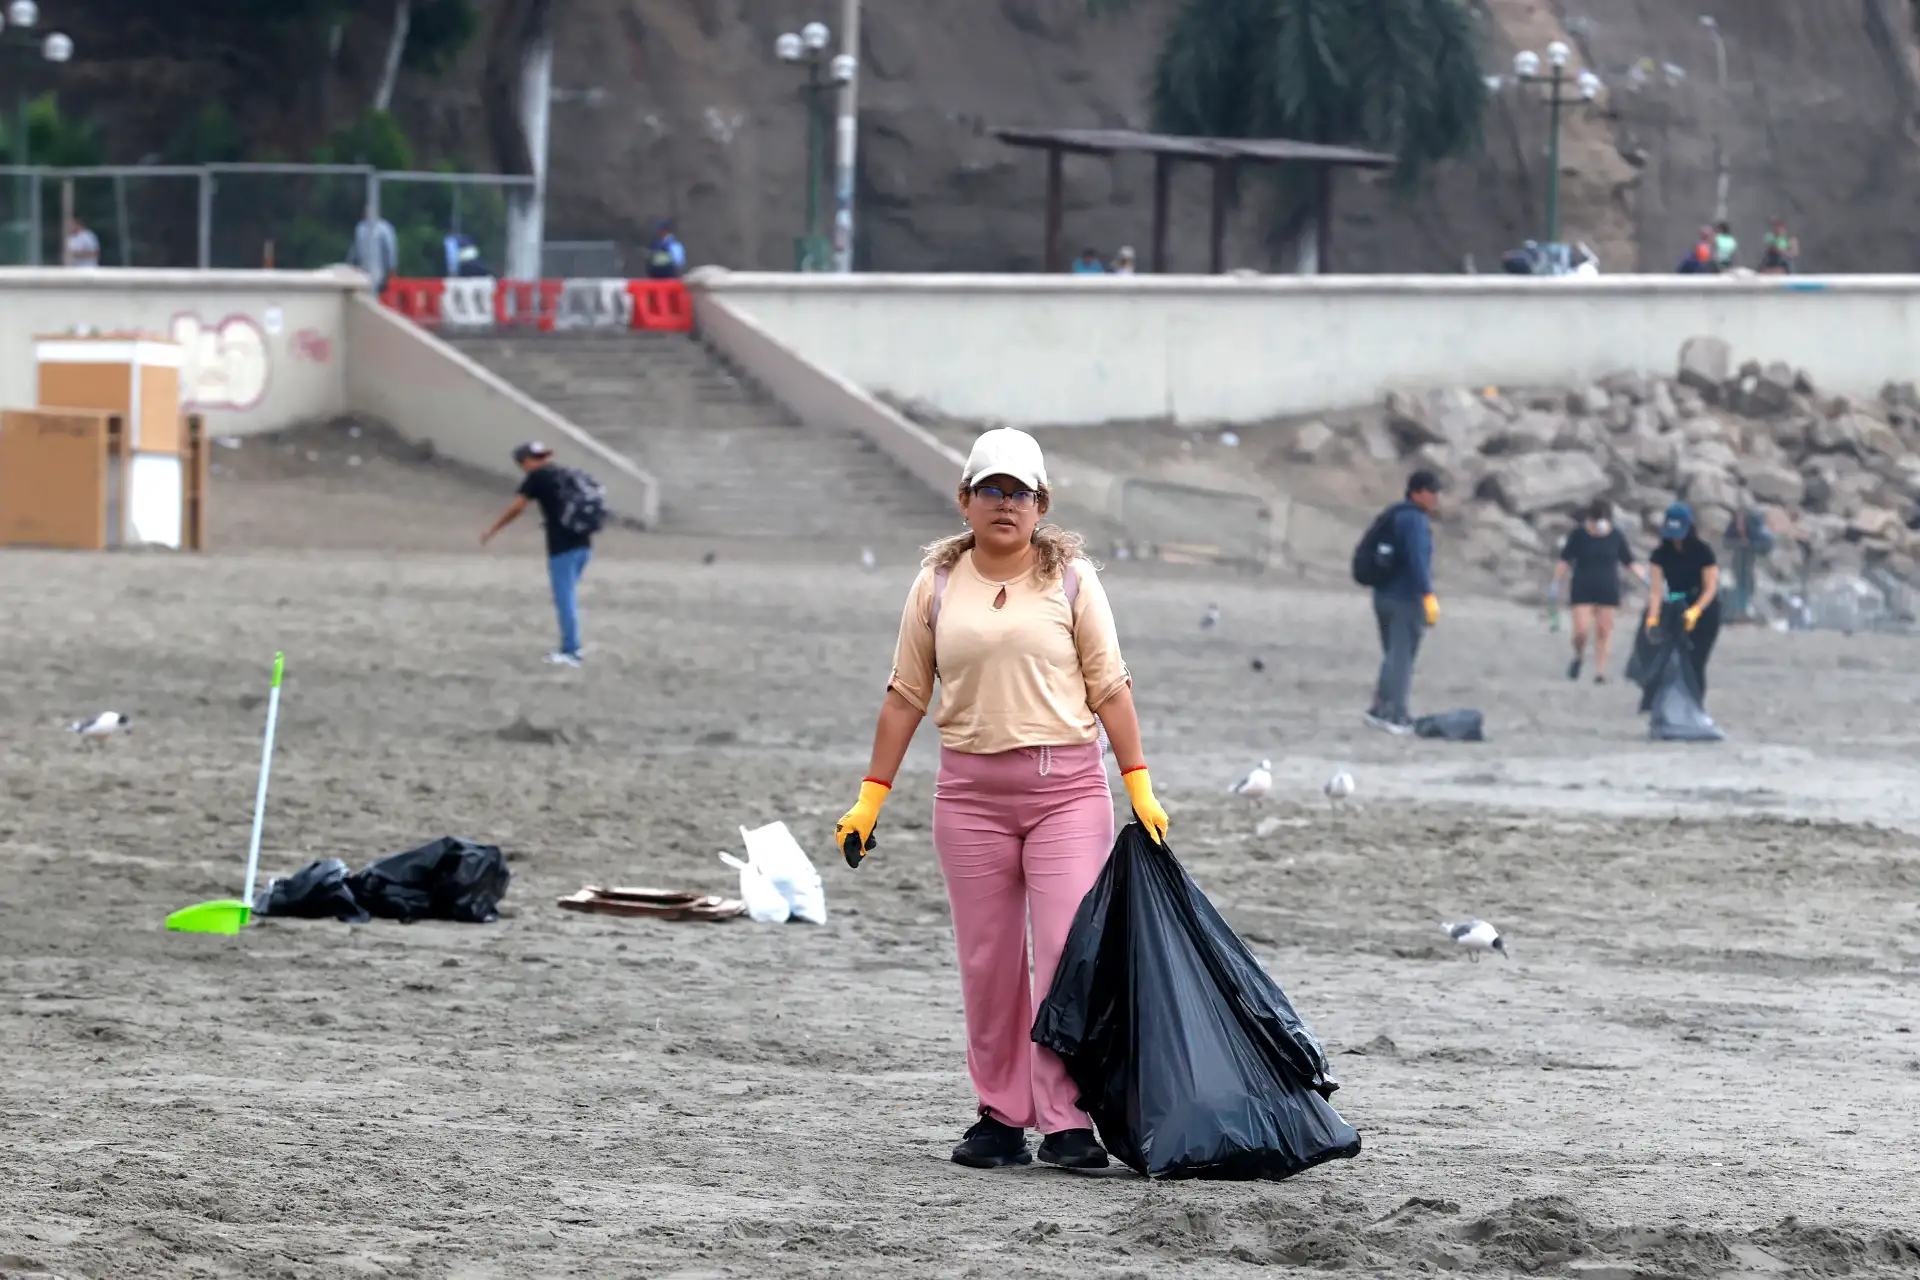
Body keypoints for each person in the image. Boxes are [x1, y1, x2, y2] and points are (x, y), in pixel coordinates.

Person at [833, 426, 1169, 1173]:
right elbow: (905, 695)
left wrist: (1137, 781)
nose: (1005, 503)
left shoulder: (1075, 580)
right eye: (991, 489)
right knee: (987, 962)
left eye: (1019, 492)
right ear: (965, 500)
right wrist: (869, 801)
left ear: (1042, 503)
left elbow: (1110, 685)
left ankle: (1065, 1120)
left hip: (1067, 793)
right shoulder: (937, 585)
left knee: (1058, 957)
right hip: (970, 795)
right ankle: (999, 1114)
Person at [480, 442, 599, 667]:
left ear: (524, 462)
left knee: (565, 600)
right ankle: (572, 645)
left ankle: (571, 651)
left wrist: (493, 530)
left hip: (562, 548)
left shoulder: (538, 477)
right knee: (569, 596)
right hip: (584, 544)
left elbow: (517, 508)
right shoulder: (565, 473)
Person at [1364, 470, 1441, 734]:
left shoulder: (1393, 515)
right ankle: (1394, 713)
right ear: (1417, 492)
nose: (1436, 498)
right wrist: (1428, 594)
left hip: (1382, 595)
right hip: (1405, 598)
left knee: (1393, 655)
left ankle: (1379, 708)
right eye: (1432, 492)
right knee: (1401, 657)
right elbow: (1418, 560)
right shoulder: (1415, 521)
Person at [1550, 499, 1646, 683]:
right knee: (1581, 631)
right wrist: (1555, 581)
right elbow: (1564, 559)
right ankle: (1578, 656)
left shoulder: (1616, 536)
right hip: (1582, 587)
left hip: (1608, 588)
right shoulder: (1578, 535)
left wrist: (1647, 579)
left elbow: (1629, 561)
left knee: (1604, 631)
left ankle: (1599, 672)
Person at [1647, 502, 1722, 699]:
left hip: (1704, 609)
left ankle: (1696, 705)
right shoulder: (1659, 555)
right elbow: (1655, 591)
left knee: (1696, 660)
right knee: (1671, 660)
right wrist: (1652, 619)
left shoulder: (1703, 552)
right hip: (1675, 606)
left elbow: (1710, 588)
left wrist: (1695, 611)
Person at [1722, 505, 1773, 620]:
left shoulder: (1753, 525)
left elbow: (1764, 543)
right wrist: (1740, 544)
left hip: (1752, 560)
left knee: (1749, 584)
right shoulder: (1733, 527)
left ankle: (1746, 610)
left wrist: (1749, 545)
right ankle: (1740, 611)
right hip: (1739, 559)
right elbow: (1726, 542)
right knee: (1740, 583)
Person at [348, 204, 399, 292]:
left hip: (379, 270)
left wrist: (391, 268)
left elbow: (390, 250)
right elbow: (355, 249)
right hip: (362, 270)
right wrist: (350, 264)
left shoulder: (384, 229)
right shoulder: (360, 229)